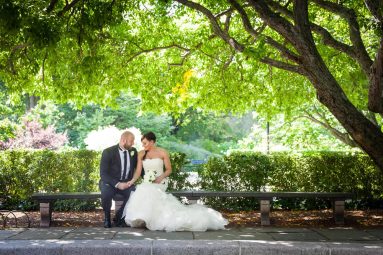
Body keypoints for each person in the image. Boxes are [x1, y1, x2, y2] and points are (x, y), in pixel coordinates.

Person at [122, 131, 228, 232]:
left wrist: (160, 177)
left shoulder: (162, 152)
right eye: (142, 143)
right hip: (148, 182)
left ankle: (152, 220)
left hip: (161, 181)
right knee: (142, 189)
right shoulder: (141, 154)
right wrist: (132, 181)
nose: (143, 145)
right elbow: (138, 171)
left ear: (152, 142)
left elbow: (169, 170)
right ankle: (144, 219)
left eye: (145, 143)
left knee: (148, 191)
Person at [99, 131, 138, 228]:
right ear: (124, 140)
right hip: (110, 183)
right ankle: (107, 218)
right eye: (131, 141)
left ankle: (119, 217)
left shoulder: (133, 151)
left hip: (127, 183)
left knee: (136, 193)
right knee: (106, 192)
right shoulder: (108, 152)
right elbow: (103, 174)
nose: (133, 143)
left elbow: (139, 168)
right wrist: (117, 184)